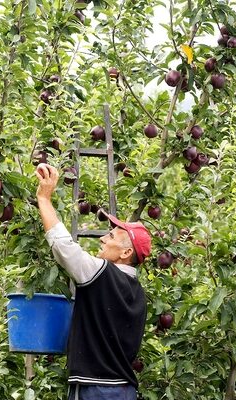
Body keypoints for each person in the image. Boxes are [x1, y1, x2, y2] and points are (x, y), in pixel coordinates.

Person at [35, 163, 150, 400]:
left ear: (126, 253)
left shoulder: (102, 274)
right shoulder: (138, 294)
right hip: (124, 390)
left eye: (110, 236)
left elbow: (63, 246)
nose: (103, 239)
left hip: (95, 390)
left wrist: (44, 199)